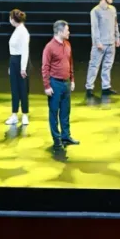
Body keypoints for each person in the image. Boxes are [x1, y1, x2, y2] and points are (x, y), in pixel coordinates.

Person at [42, 20, 78, 149]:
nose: (69, 32)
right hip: (55, 83)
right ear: (60, 31)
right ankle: (56, 139)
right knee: (54, 112)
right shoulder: (49, 47)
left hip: (66, 83)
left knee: (65, 112)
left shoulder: (67, 44)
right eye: (67, 30)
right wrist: (47, 86)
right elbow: (45, 67)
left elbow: (70, 62)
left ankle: (66, 136)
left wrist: (72, 79)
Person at [85, 0, 120, 98]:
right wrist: (97, 42)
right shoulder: (95, 11)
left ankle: (106, 87)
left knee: (107, 65)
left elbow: (115, 24)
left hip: (111, 42)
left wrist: (117, 37)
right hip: (100, 44)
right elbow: (94, 28)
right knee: (94, 65)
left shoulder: (113, 9)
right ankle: (89, 87)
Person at [6, 9, 30, 127]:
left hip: (21, 61)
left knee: (23, 89)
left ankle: (25, 114)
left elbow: (25, 51)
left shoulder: (23, 32)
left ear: (13, 19)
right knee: (14, 89)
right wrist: (11, 66)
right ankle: (14, 114)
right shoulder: (16, 30)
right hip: (14, 61)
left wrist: (23, 68)